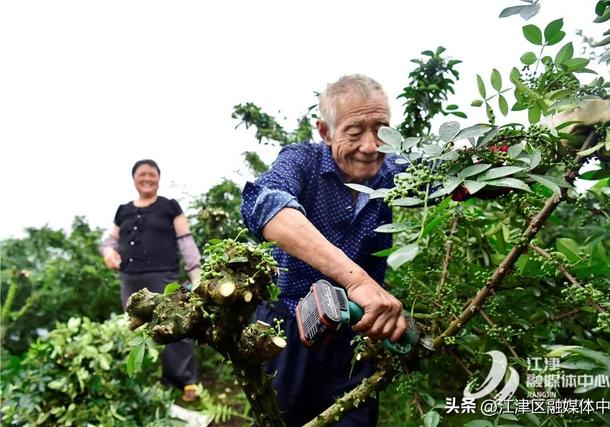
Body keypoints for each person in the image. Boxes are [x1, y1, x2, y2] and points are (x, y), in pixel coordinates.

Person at [241, 75, 406, 426]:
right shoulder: (302, 162)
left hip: (358, 332)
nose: (371, 145)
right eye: (354, 130)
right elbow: (265, 205)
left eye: (381, 129)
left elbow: (456, 174)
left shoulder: (394, 172)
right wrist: (357, 280)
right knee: (281, 418)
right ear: (325, 131)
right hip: (289, 326)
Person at [100, 159, 200, 402]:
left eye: (152, 174)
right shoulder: (123, 209)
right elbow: (110, 241)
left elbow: (185, 239)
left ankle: (186, 380)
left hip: (162, 276)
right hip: (129, 278)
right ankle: (150, 379)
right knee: (137, 327)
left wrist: (195, 273)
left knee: (174, 325)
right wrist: (108, 252)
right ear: (134, 178)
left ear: (159, 178)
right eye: (142, 174)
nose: (147, 178)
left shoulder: (169, 206)